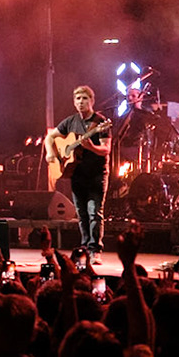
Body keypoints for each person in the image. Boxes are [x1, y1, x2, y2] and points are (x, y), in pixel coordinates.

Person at [45, 85, 111, 255]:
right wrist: (52, 153)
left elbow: (106, 149)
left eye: (85, 99)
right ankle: (84, 247)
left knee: (94, 213)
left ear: (92, 101)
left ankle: (95, 250)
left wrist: (91, 147)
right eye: (78, 99)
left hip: (97, 174)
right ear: (74, 102)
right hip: (77, 174)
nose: (81, 102)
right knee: (81, 214)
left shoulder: (100, 123)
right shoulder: (71, 121)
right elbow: (50, 137)